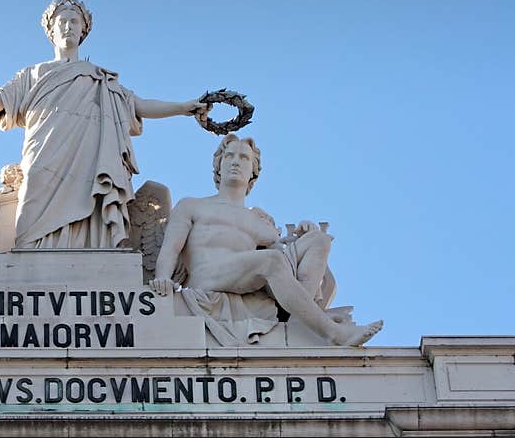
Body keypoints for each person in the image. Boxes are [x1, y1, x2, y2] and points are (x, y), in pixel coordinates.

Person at [0, 0, 209, 249]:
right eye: (62, 21)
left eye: (75, 21)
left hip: (89, 156)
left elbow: (139, 105)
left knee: (90, 203)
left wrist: (184, 107)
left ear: (84, 30)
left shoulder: (99, 78)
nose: (68, 27)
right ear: (50, 29)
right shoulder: (31, 75)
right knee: (30, 217)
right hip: (44, 155)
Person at [149, 133, 383, 347]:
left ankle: (298, 321)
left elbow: (286, 255)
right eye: (229, 156)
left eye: (244, 157)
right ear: (218, 165)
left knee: (319, 240)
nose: (235, 162)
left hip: (245, 276)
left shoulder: (259, 221)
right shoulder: (192, 205)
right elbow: (171, 248)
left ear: (253, 170)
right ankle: (332, 332)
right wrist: (162, 277)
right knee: (270, 261)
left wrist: (305, 233)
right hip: (206, 276)